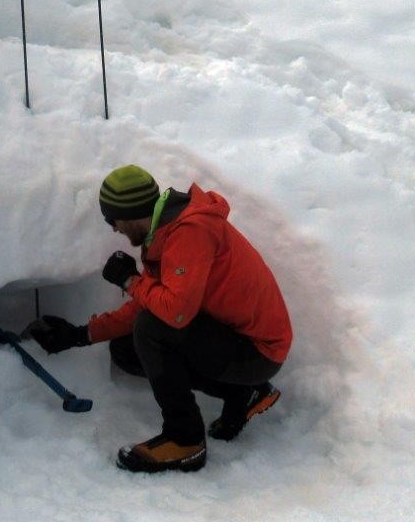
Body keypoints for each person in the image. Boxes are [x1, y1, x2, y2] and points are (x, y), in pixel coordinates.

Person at [26, 165, 293, 473]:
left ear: (130, 214)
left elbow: (174, 314)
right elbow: (150, 304)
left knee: (152, 330)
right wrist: (79, 335)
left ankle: (185, 441)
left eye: (113, 221)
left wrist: (130, 281)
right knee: (127, 349)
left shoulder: (189, 233)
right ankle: (241, 393)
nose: (115, 230)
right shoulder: (165, 233)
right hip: (231, 339)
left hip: (258, 351)